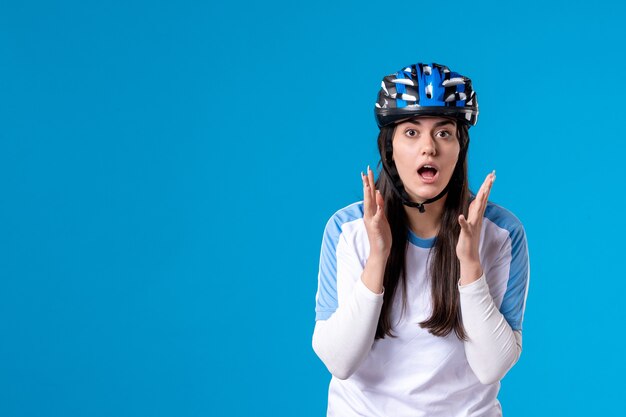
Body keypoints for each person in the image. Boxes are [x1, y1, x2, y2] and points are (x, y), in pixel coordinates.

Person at [311, 62, 530, 417]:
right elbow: (340, 361)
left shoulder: (502, 233)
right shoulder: (348, 229)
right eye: (411, 133)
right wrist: (377, 257)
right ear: (390, 148)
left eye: (444, 133)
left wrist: (470, 264)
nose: (429, 147)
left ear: (461, 147)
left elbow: (491, 367)